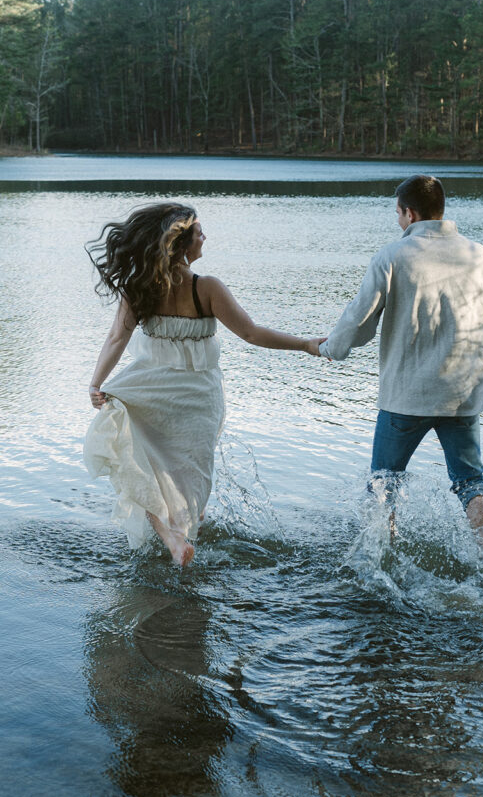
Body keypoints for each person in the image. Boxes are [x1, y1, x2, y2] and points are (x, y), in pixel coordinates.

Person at [84, 202, 322, 566]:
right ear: (182, 244)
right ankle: (181, 532)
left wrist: (97, 383)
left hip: (149, 389)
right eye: (199, 232)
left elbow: (117, 338)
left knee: (144, 464)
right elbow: (251, 333)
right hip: (199, 397)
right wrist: (305, 344)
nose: (205, 236)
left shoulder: (140, 287)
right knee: (191, 472)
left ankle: (171, 536)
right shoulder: (206, 287)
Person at [319, 175, 483, 562]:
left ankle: (382, 562)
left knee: (383, 484)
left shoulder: (394, 256)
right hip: (462, 394)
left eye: (398, 214)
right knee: (471, 482)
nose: (398, 222)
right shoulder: (478, 255)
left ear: (410, 212)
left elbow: (359, 319)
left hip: (407, 396)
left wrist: (332, 348)